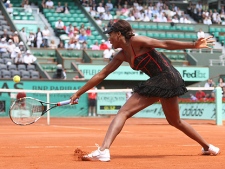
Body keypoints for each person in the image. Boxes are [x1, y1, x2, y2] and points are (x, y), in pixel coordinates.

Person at [70, 19, 220, 162]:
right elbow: (101, 74)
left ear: (119, 34)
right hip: (170, 78)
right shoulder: (121, 55)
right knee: (175, 121)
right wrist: (78, 92)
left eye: (110, 34)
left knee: (123, 112)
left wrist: (193, 45)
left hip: (165, 78)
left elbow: (164, 43)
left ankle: (103, 150)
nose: (108, 38)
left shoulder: (136, 41)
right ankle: (209, 147)